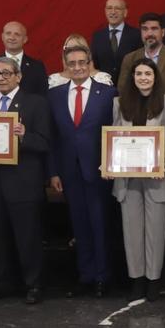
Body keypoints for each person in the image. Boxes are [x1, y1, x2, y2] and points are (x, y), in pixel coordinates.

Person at [0, 57, 51, 304]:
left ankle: (34, 285)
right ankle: (4, 283)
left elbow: (44, 142)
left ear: (18, 76)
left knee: (27, 236)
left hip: (23, 182)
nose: (1, 77)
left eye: (6, 73)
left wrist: (23, 136)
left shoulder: (35, 103)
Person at [47, 45, 117, 298]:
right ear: (66, 66)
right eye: (72, 63)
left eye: (81, 62)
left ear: (89, 64)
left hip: (99, 171)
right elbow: (52, 137)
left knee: (100, 223)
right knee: (79, 225)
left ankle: (103, 276)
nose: (77, 67)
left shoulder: (108, 94)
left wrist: (111, 163)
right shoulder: (54, 95)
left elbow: (115, 132)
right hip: (69, 172)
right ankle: (85, 275)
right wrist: (54, 172)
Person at [112, 58, 165, 302]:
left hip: (157, 176)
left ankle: (153, 280)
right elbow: (113, 138)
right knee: (132, 231)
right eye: (138, 74)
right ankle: (136, 279)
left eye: (148, 73)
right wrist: (108, 162)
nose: (143, 78)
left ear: (155, 77)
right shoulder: (118, 103)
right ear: (132, 77)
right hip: (127, 178)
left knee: (156, 231)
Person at [118, 13, 165, 95]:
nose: (149, 34)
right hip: (135, 107)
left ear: (162, 32)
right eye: (145, 29)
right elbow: (122, 90)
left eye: (154, 29)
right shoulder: (129, 59)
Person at [0, 21, 47, 99]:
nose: (12, 38)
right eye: (8, 33)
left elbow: (42, 97)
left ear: (25, 39)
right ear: (2, 37)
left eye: (17, 34)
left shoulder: (37, 66)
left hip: (28, 110)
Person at [91, 0, 142, 84]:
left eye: (117, 8)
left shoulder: (137, 35)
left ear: (125, 12)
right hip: (104, 89)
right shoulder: (97, 36)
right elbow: (94, 65)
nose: (113, 12)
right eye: (109, 8)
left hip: (129, 89)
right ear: (105, 11)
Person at [48, 34, 113, 88]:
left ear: (88, 54)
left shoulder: (101, 78)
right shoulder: (55, 80)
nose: (75, 54)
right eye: (70, 50)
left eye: (79, 50)